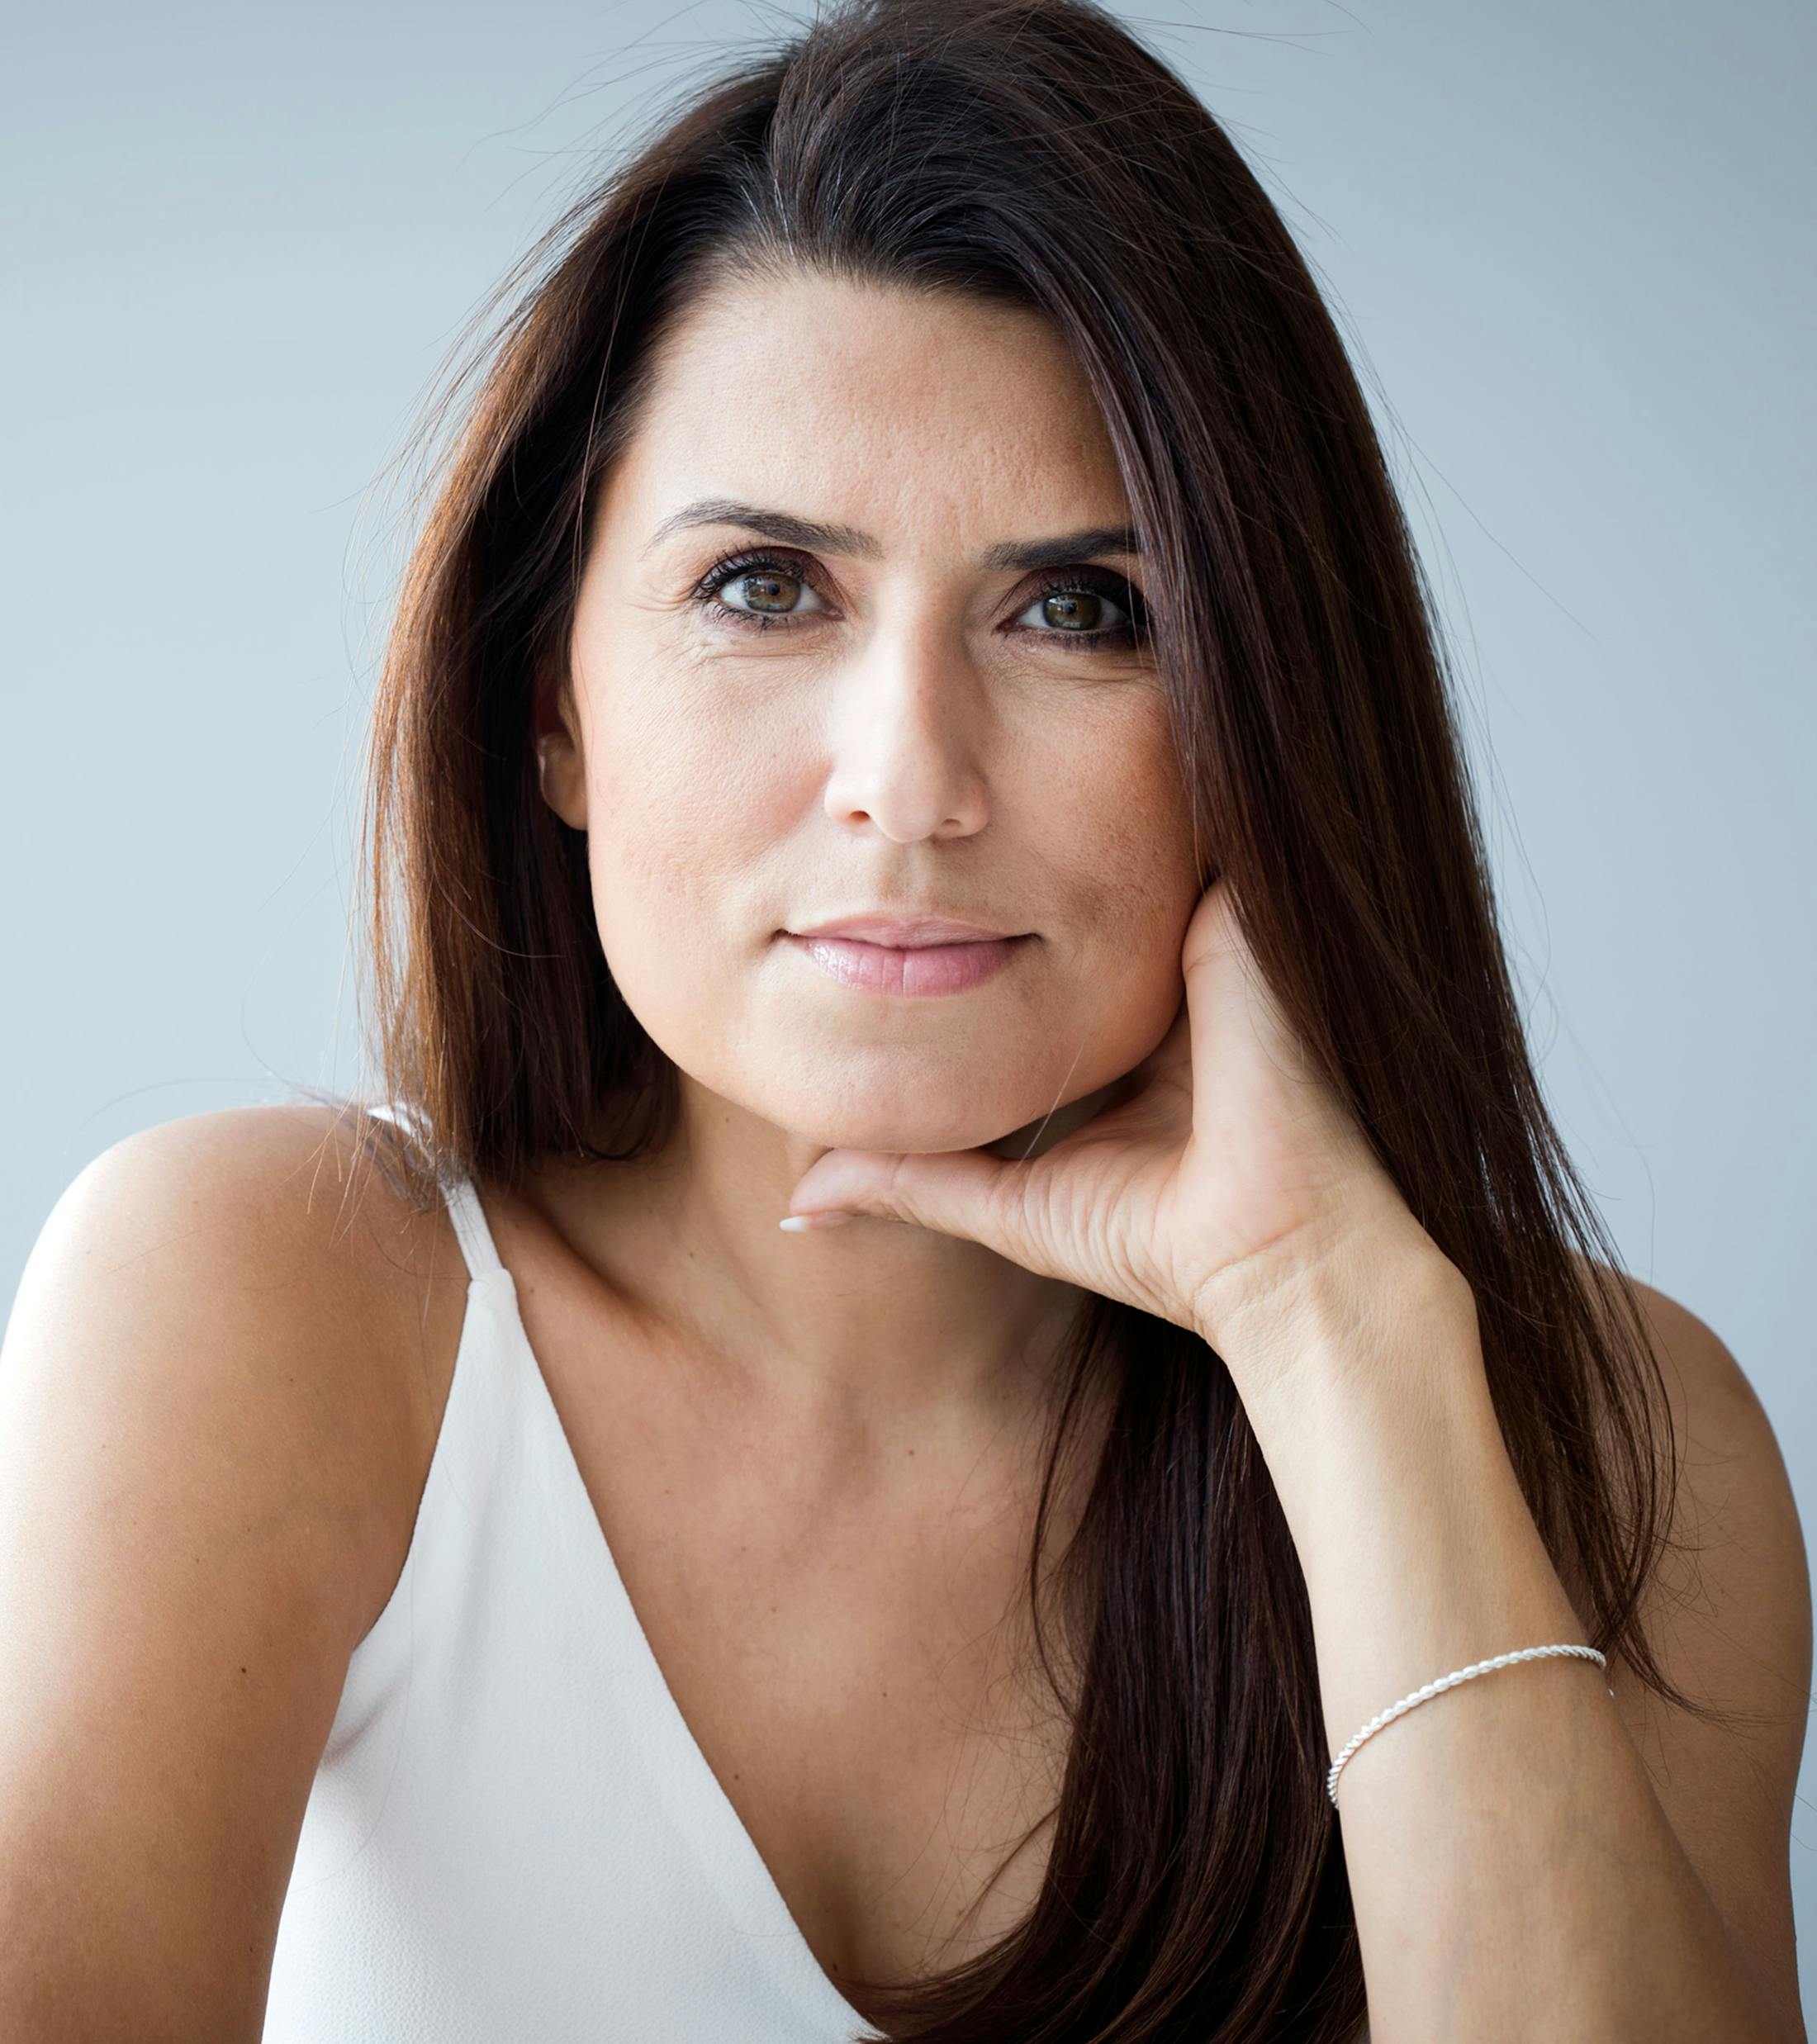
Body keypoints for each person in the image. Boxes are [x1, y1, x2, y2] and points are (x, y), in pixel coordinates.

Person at [2, 0, 1807, 2038]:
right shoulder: (277, 1304)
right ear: (552, 704)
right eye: (767, 586)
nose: (909, 777)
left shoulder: (1619, 1449)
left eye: (1079, 610)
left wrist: (1338, 1329)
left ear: (1264, 715)